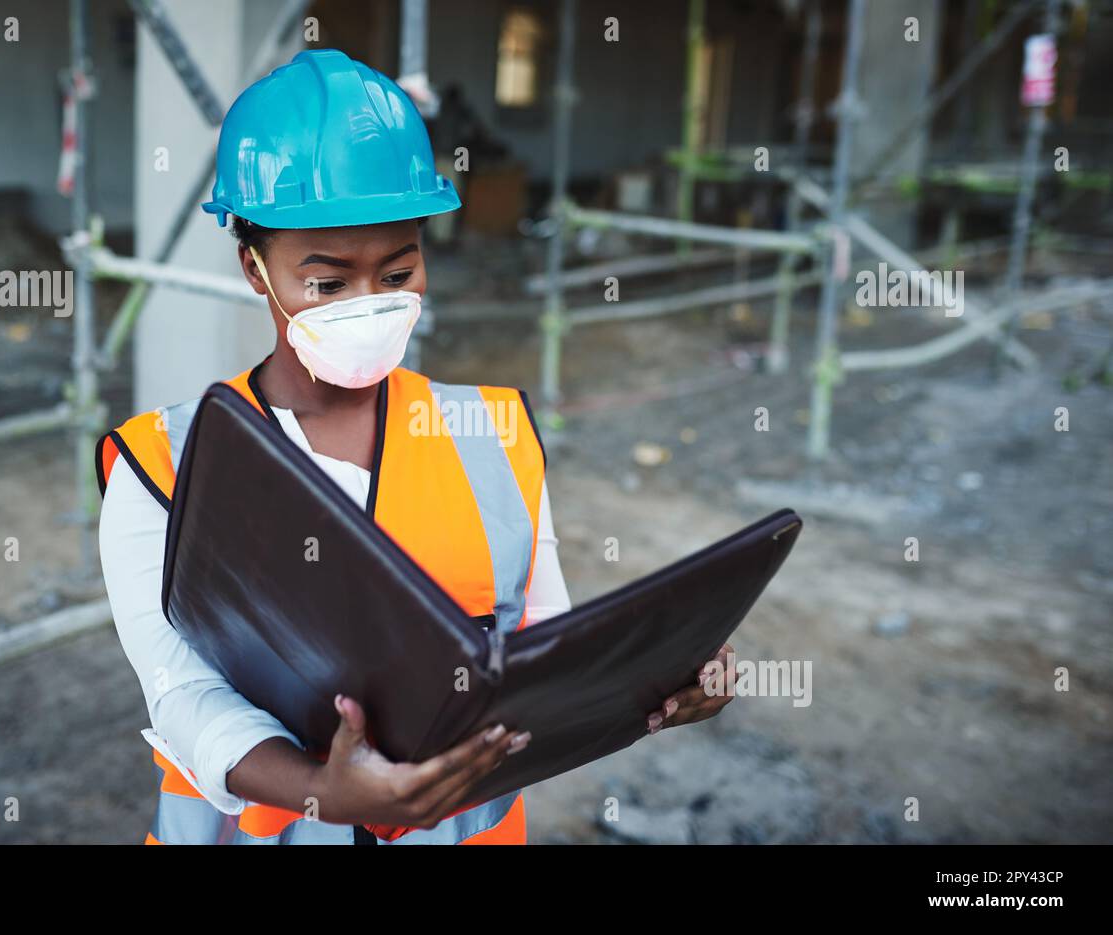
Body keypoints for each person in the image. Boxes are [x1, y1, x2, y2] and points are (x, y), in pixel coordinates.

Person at [96, 48, 736, 846]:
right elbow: (180, 688)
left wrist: (648, 688)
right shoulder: (162, 463)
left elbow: (543, 648)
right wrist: (319, 789)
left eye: (398, 270)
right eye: (326, 282)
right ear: (255, 269)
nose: (371, 303)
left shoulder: (493, 438)